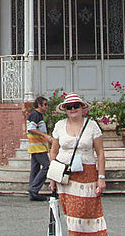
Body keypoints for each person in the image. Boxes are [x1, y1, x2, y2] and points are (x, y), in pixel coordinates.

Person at [49, 92, 107, 236]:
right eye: (69, 107)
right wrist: (52, 178)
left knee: (88, 213)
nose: (73, 109)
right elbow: (53, 152)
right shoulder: (59, 126)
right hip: (65, 176)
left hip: (87, 175)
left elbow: (100, 153)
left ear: (82, 108)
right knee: (72, 216)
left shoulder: (92, 126)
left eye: (76, 106)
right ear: (65, 110)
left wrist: (101, 177)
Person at [26, 95, 52, 201]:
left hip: (37, 147)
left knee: (35, 169)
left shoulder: (38, 115)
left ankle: (33, 192)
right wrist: (46, 136)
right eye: (45, 104)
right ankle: (34, 189)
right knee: (46, 166)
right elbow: (31, 128)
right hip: (38, 147)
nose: (46, 107)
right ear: (39, 105)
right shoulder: (35, 115)